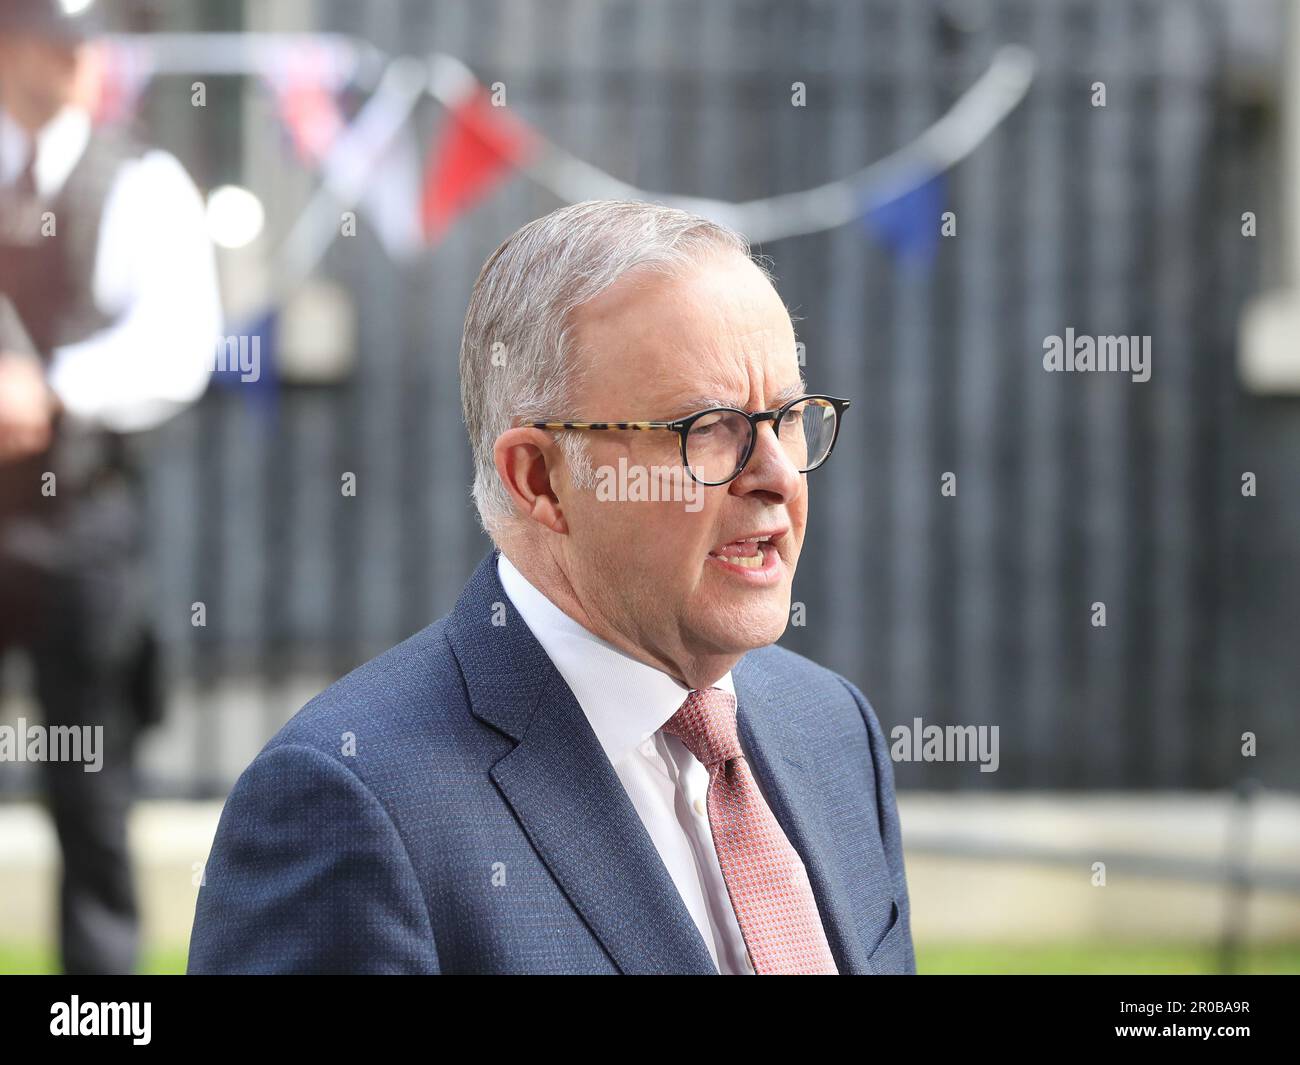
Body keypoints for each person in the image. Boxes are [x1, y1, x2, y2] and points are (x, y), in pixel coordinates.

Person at [189, 199, 913, 975]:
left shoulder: (833, 728)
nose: (777, 474)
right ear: (541, 480)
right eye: (709, 428)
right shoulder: (346, 806)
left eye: (789, 416)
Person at [0, 0, 221, 974]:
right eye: (57, 37)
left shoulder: (141, 177)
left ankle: (98, 1009)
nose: (82, 59)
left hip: (77, 519)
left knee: (92, 792)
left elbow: (178, 344)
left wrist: (48, 389)